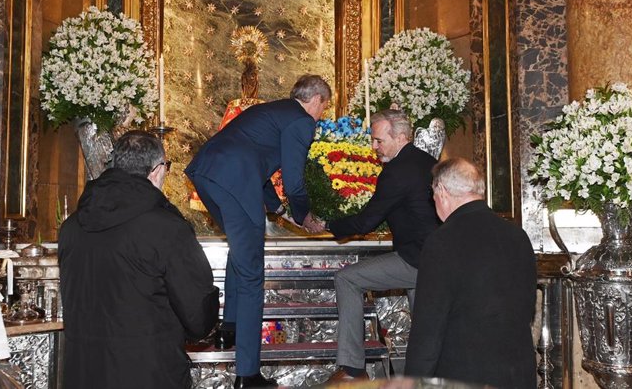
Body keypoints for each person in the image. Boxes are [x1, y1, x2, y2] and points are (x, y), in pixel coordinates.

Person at [185, 74, 329, 388]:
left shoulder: (272, 113)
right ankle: (247, 374)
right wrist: (303, 215)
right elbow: (294, 179)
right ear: (317, 99)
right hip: (235, 180)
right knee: (252, 272)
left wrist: (278, 210)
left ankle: (230, 327)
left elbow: (256, 162)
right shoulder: (301, 120)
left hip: (208, 173)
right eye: (324, 108)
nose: (321, 116)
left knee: (242, 253)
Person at [58, 131, 220, 389]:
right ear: (156, 170)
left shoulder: (71, 227)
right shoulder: (167, 228)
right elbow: (198, 314)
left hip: (84, 373)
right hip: (149, 374)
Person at [327, 109, 440, 381]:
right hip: (437, 256)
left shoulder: (397, 170)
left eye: (379, 141)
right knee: (426, 325)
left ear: (400, 137)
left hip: (416, 258)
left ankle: (353, 369)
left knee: (347, 279)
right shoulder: (427, 161)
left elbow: (365, 222)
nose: (374, 147)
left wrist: (329, 225)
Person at [405, 158, 537, 388]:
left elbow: (428, 329)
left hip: (463, 375)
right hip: (518, 373)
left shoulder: (442, 241)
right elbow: (527, 308)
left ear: (442, 191)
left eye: (433, 196)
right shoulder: (518, 236)